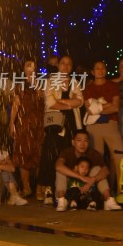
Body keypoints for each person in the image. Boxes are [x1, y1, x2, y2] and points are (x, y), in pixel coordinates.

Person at [38, 55, 83, 206]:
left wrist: (62, 102)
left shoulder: (75, 82)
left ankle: (67, 191)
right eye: (63, 63)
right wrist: (70, 104)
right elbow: (50, 103)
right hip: (55, 125)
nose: (65, 66)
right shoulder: (50, 82)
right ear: (58, 66)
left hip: (72, 126)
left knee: (69, 157)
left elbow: (80, 100)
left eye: (69, 64)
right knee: (51, 156)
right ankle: (48, 190)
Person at [54, 129, 120, 211]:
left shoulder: (93, 153)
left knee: (97, 169)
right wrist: (80, 177)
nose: (82, 144)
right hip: (68, 188)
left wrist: (92, 180)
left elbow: (106, 170)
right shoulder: (67, 152)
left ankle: (108, 200)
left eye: (86, 141)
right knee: (60, 171)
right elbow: (58, 166)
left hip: (87, 187)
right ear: (73, 142)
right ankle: (62, 200)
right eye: (79, 140)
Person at [83, 60, 123, 186]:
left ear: (106, 70)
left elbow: (115, 108)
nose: (100, 70)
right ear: (92, 72)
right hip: (93, 127)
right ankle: (99, 192)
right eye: (97, 68)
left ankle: (120, 190)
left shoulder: (112, 86)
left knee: (119, 157)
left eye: (103, 68)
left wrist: (98, 107)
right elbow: (90, 109)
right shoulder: (88, 88)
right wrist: (106, 105)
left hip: (111, 124)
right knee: (96, 160)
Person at [9, 59, 45, 200]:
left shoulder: (41, 83)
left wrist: (34, 80)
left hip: (38, 124)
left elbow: (41, 96)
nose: (30, 68)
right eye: (27, 65)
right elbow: (16, 105)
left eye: (33, 66)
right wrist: (11, 123)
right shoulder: (19, 85)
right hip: (23, 124)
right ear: (23, 68)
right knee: (23, 154)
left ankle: (39, 188)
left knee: (38, 154)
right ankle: (26, 187)